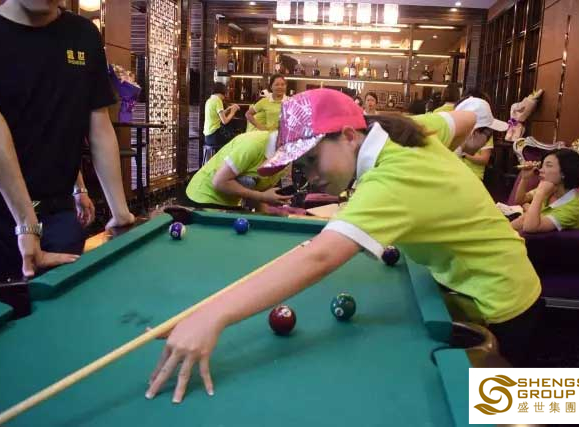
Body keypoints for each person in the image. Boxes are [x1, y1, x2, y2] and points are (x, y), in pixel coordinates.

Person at [146, 89, 542, 403]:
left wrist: (212, 316)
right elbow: (467, 117)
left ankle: (578, 407)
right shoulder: (402, 129)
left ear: (349, 135)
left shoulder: (391, 178)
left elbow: (320, 257)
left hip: (501, 302)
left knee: (523, 408)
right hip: (483, 278)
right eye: (301, 166)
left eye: (313, 159)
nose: (309, 176)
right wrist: (461, 151)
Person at [0, 0, 134, 285]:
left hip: (59, 214)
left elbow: (99, 123)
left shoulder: (84, 35)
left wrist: (119, 210)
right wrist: (26, 224)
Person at [184, 130, 292, 210]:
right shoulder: (252, 145)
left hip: (230, 203)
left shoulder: (288, 158)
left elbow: (257, 195)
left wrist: (267, 216)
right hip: (203, 198)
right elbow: (219, 182)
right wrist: (262, 197)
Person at [511, 149, 579, 233]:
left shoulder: (573, 209)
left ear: (564, 172)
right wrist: (525, 179)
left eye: (548, 166)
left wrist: (539, 194)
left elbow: (529, 228)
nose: (541, 170)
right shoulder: (551, 188)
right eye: (542, 166)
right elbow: (520, 200)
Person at [204, 82, 239, 150]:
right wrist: (233, 112)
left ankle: (220, 156)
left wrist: (228, 109)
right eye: (225, 93)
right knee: (235, 139)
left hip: (207, 137)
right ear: (222, 92)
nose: (224, 97)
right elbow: (224, 121)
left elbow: (217, 115)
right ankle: (225, 157)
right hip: (215, 136)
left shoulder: (209, 100)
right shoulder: (218, 100)